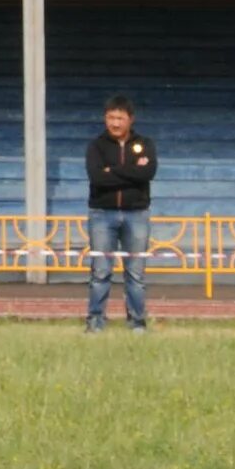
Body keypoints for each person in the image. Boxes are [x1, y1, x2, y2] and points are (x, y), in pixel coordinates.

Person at [85, 96, 158, 333]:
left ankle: (137, 322)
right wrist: (131, 171)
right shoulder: (96, 146)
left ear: (130, 119)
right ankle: (95, 321)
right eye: (110, 118)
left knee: (136, 273)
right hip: (101, 214)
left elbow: (147, 172)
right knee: (100, 271)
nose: (115, 123)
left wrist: (112, 171)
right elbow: (97, 177)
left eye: (120, 118)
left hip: (136, 214)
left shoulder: (145, 143)